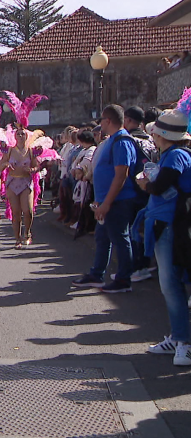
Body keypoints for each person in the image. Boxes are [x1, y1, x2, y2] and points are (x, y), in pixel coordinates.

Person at [137, 106, 191, 365]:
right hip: (168, 224)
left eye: (155, 134)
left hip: (171, 225)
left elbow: (161, 185)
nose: (153, 137)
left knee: (171, 284)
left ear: (162, 136)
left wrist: (146, 184)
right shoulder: (174, 154)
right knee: (172, 284)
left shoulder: (176, 155)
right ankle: (178, 338)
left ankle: (183, 342)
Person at [72, 105, 138, 293]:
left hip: (118, 201)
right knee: (102, 238)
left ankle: (124, 279)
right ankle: (97, 274)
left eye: (101, 120)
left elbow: (121, 175)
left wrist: (107, 203)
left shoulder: (122, 141)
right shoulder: (112, 140)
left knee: (120, 238)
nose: (100, 124)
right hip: (106, 200)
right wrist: (100, 201)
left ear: (108, 120)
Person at [0, 91, 48, 249]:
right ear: (15, 136)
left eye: (23, 134)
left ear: (26, 136)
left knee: (28, 211)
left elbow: (37, 167)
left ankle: (28, 233)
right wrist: (6, 165)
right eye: (18, 134)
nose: (20, 136)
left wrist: (31, 169)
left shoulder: (31, 151)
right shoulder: (9, 151)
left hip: (26, 182)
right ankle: (17, 238)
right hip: (12, 182)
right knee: (16, 212)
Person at [124, 106, 158, 282]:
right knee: (146, 228)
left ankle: (138, 267)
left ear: (128, 119)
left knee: (133, 229)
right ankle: (146, 262)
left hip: (133, 189)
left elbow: (126, 167)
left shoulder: (129, 140)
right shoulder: (151, 139)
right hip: (150, 188)